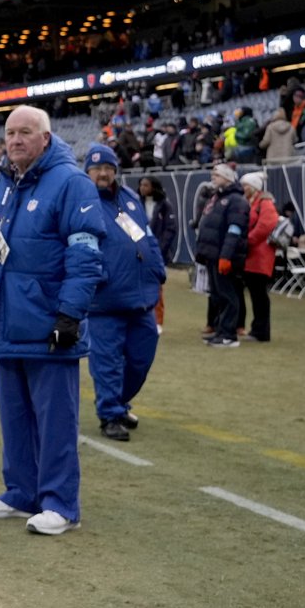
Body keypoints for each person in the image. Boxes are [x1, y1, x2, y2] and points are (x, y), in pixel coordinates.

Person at [0, 105, 103, 536]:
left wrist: (69, 314)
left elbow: (85, 257)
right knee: (14, 418)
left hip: (48, 326)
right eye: (10, 133)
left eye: (25, 132)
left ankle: (60, 504)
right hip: (7, 322)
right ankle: (20, 492)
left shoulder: (72, 184)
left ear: (46, 138)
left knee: (55, 420)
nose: (15, 140)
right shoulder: (1, 186)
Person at [83, 145, 164, 442]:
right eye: (96, 169)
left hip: (140, 295)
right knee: (107, 361)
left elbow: (146, 236)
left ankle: (118, 401)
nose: (103, 173)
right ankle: (109, 414)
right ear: (87, 172)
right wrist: (97, 276)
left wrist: (157, 268)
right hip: (105, 299)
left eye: (108, 167)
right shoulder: (82, 200)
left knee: (142, 356)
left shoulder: (129, 197)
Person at [194, 164, 250, 348]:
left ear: (227, 178)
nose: (213, 177)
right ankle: (220, 330)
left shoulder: (236, 201)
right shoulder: (217, 198)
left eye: (217, 174)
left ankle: (229, 335)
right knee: (217, 294)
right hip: (213, 254)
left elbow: (234, 230)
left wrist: (226, 255)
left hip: (224, 255)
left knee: (228, 294)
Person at [240, 171, 278, 342]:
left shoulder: (265, 203)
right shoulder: (254, 202)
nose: (243, 188)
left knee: (259, 295)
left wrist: (248, 240)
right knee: (256, 294)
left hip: (260, 255)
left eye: (246, 185)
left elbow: (266, 225)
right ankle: (258, 329)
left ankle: (261, 331)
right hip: (254, 255)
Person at [138, 175, 177, 332]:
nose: (142, 188)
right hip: (139, 252)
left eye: (146, 185)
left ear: (154, 187)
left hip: (158, 253)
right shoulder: (135, 204)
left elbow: (170, 228)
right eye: (141, 185)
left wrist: (159, 249)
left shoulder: (164, 205)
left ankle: (158, 320)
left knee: (157, 287)